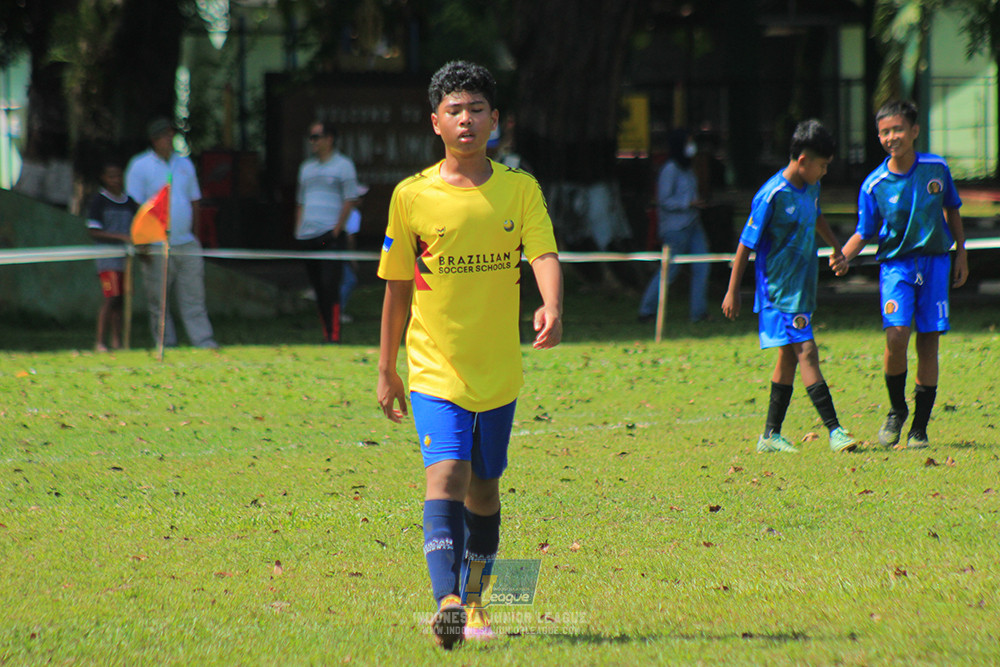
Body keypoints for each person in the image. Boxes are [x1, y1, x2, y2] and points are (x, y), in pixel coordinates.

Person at [376, 60, 562, 650]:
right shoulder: (411, 197)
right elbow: (396, 288)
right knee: (447, 475)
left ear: (495, 120)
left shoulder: (520, 190)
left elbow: (543, 255)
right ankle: (447, 601)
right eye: (454, 111)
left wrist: (551, 305)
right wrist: (386, 369)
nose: (466, 120)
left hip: (499, 372)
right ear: (436, 122)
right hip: (434, 370)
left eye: (476, 109)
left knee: (484, 489)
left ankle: (479, 597)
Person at [722, 119, 857, 454]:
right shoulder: (772, 195)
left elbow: (816, 215)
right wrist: (732, 290)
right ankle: (835, 430)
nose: (825, 172)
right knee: (807, 352)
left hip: (801, 287)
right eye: (823, 166)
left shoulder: (811, 185)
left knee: (788, 358)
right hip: (779, 292)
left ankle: (769, 436)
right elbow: (745, 245)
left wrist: (835, 247)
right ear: (802, 161)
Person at [840, 100, 968, 449]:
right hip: (896, 267)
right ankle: (897, 410)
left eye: (897, 129)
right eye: (884, 131)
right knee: (896, 337)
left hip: (936, 263)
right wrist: (843, 256)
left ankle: (920, 428)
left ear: (914, 131)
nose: (891, 137)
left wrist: (961, 255)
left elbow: (952, 211)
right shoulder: (874, 184)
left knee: (929, 341)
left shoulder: (936, 169)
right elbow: (864, 232)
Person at [125, 117, 218, 349]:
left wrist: (195, 234)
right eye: (165, 135)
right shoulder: (139, 165)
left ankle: (203, 341)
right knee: (158, 300)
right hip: (155, 243)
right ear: (154, 139)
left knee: (194, 297)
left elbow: (194, 201)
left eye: (171, 135)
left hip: (186, 242)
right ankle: (165, 343)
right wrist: (141, 241)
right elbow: (134, 207)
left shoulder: (184, 164)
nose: (170, 139)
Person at [295, 120, 360, 343]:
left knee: (329, 284)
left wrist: (336, 230)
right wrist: (298, 230)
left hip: (328, 236)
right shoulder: (306, 168)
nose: (312, 142)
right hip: (307, 235)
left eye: (316, 137)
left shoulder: (343, 165)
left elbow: (350, 199)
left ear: (329, 139)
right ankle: (325, 331)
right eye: (311, 137)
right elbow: (300, 202)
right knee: (317, 287)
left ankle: (333, 335)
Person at [638, 128, 711, 323]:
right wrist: (687, 203)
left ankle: (698, 313)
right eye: (688, 142)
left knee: (702, 265)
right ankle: (646, 310)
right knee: (669, 271)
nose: (691, 147)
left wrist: (695, 204)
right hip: (675, 228)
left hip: (693, 223)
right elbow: (663, 200)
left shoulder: (687, 168)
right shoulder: (670, 169)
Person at [86, 160, 138, 352]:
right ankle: (100, 341)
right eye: (111, 176)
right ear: (104, 178)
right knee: (110, 297)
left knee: (121, 300)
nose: (116, 180)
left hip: (125, 259)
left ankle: (117, 341)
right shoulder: (99, 201)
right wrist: (121, 237)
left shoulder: (129, 202)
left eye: (119, 175)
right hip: (107, 258)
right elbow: (93, 231)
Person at [339, 184, 368, 323]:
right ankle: (337, 312)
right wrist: (353, 259)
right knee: (349, 281)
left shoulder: (339, 210)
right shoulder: (354, 213)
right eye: (360, 197)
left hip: (333, 249)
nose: (362, 200)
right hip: (342, 253)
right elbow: (350, 238)